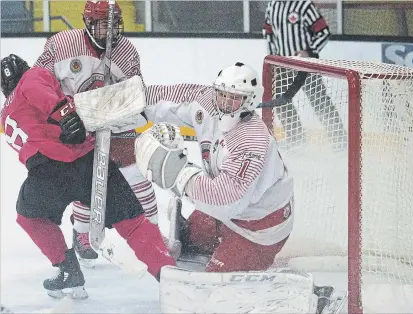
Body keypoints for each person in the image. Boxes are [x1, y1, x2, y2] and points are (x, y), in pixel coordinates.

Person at [0, 54, 175, 298]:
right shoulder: (31, 78)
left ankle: (68, 269)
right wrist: (68, 116)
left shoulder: (5, 113)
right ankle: (168, 273)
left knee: (29, 216)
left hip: (46, 176)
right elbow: (41, 92)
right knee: (132, 221)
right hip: (84, 161)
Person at [135, 62, 294, 272]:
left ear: (249, 101)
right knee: (190, 238)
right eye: (222, 95)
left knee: (213, 285)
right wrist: (129, 103)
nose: (225, 104)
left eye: (235, 99)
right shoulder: (207, 102)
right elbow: (168, 96)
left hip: (259, 228)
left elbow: (229, 200)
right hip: (229, 215)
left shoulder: (251, 141)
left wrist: (182, 176)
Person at [33, 0, 158, 266]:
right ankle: (81, 234)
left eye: (114, 24)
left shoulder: (126, 52)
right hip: (73, 126)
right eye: (103, 24)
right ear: (88, 23)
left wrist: (117, 106)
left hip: (114, 124)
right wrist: (61, 115)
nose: (110, 31)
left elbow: (137, 95)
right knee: (89, 182)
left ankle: (154, 235)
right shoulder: (63, 44)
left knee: (138, 178)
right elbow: (37, 81)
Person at [263, 0, 346, 149]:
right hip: (283, 65)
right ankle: (297, 141)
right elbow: (268, 32)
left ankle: (340, 141)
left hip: (306, 65)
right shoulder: (272, 5)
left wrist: (309, 51)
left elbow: (323, 31)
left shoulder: (304, 5)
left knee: (320, 102)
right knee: (281, 102)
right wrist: (273, 57)